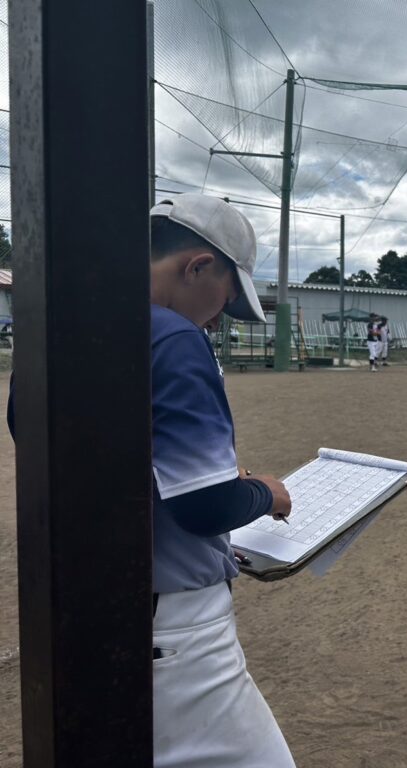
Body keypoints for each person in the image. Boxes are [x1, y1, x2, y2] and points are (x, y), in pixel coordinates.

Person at [2, 195, 297, 766]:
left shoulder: (55, 325)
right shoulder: (175, 337)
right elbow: (206, 506)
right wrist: (264, 492)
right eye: (226, 298)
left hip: (80, 607)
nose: (219, 318)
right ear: (197, 267)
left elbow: (92, 471)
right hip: (175, 629)